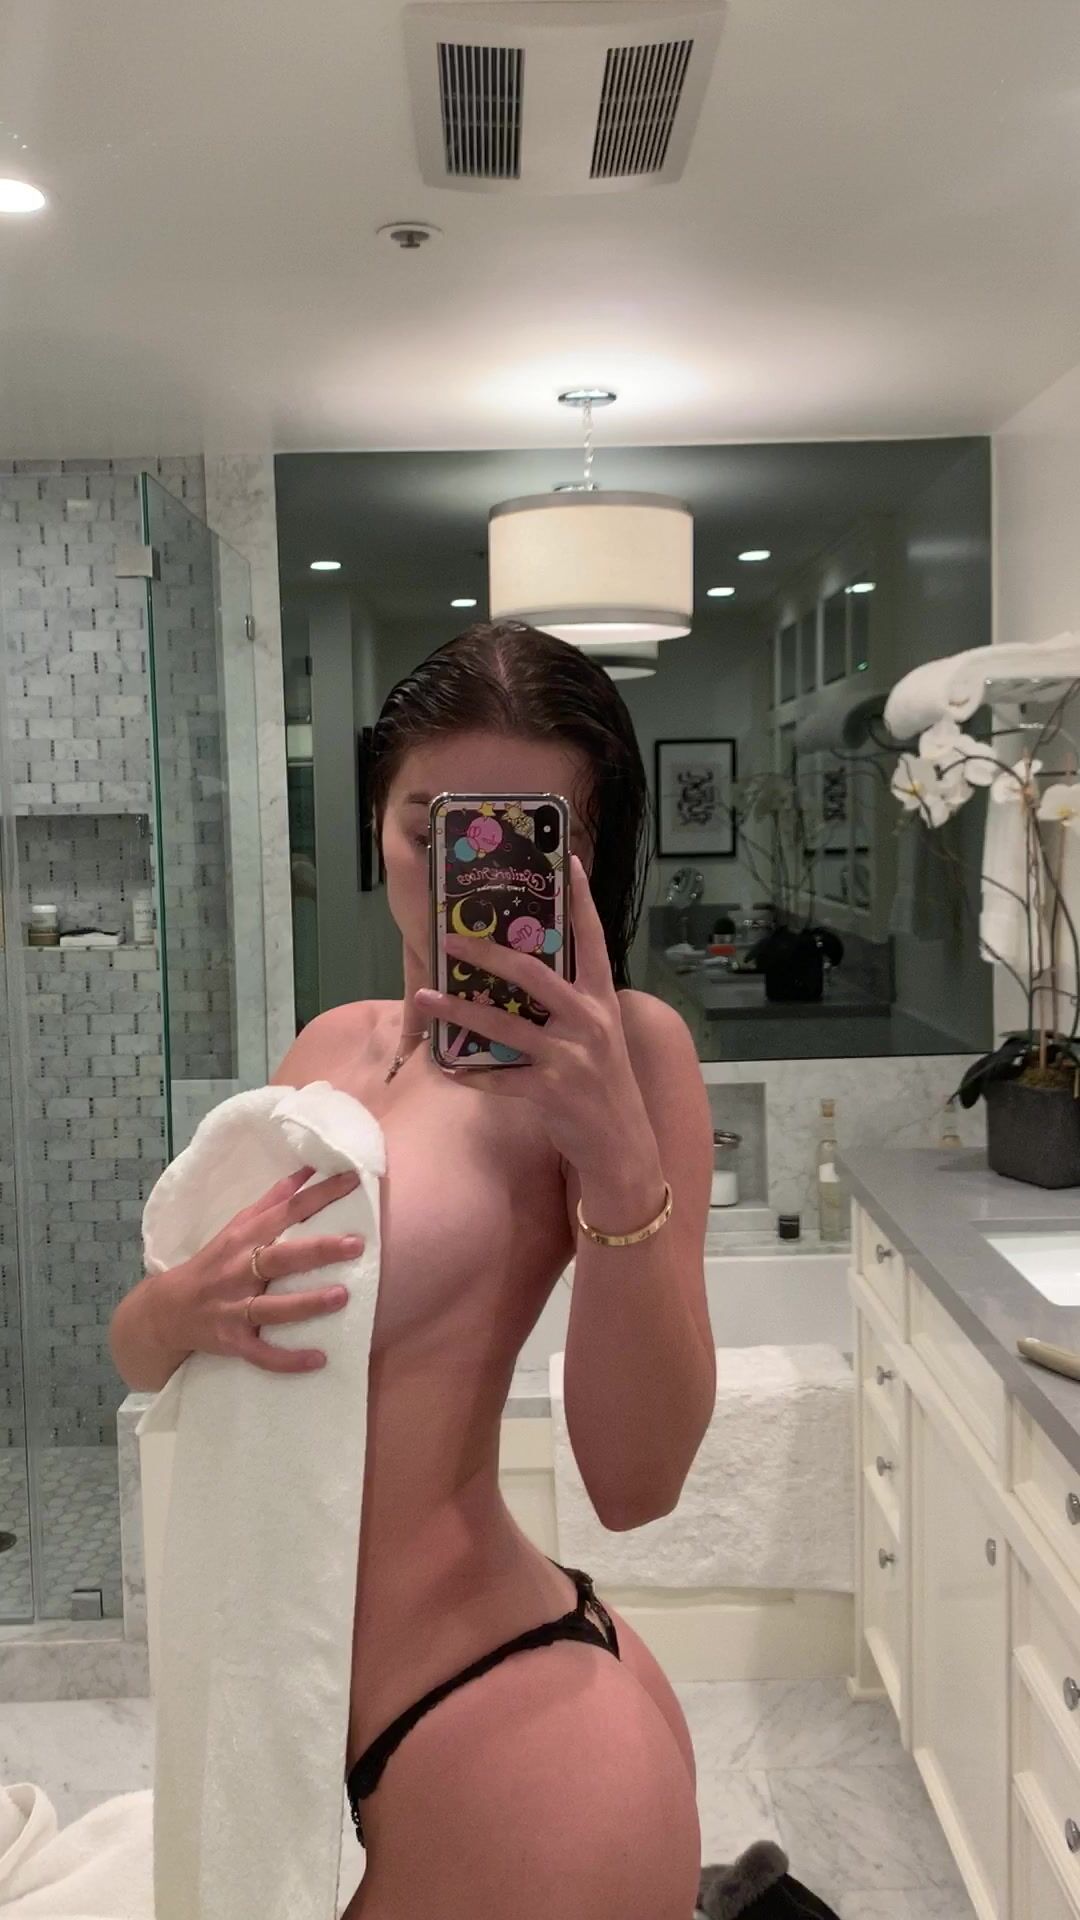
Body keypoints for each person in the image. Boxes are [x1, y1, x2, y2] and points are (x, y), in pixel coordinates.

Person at [110, 620, 716, 1920]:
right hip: (294, 1705)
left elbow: (638, 1482)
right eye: (434, 827)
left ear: (587, 855)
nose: (474, 873)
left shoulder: (631, 1055)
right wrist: (178, 1304)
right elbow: (146, 1351)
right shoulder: (329, 1046)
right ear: (378, 825)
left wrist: (615, 1154)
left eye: (528, 835)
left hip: (505, 1721)